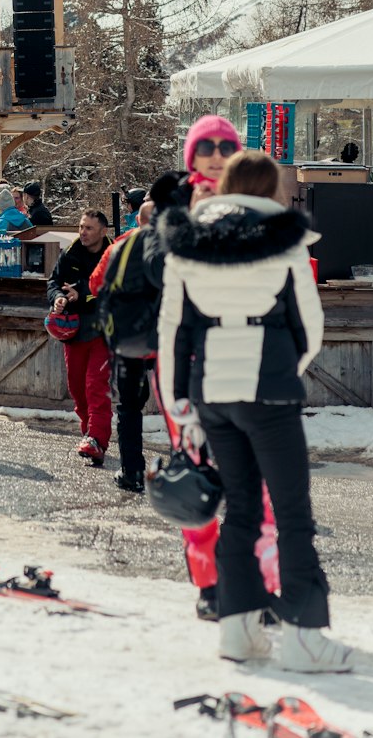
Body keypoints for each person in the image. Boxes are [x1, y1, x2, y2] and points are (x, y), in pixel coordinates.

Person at [157, 149, 351, 672]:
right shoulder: (286, 239)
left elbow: (173, 328)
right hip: (269, 387)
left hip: (210, 391)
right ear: (269, 189)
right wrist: (287, 364)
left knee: (240, 509)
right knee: (292, 514)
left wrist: (181, 402)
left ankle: (238, 631)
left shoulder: (188, 239)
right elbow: (309, 328)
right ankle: (306, 637)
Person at [143, 113, 246, 619]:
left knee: (254, 483)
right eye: (206, 147)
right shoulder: (172, 206)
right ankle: (208, 585)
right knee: (198, 476)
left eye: (226, 147)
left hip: (245, 357)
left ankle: (252, 584)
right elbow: (158, 272)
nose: (216, 156)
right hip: (185, 358)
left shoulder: (255, 203)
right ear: (191, 155)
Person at [90, 198, 155, 492]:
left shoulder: (121, 246)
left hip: (131, 341)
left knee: (129, 408)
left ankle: (132, 471)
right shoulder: (183, 245)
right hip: (171, 340)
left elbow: (95, 283)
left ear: (137, 219)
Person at [47, 209, 113, 465]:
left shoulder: (113, 254)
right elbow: (53, 282)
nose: (83, 232)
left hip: (104, 330)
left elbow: (111, 288)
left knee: (96, 386)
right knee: (76, 387)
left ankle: (97, 438)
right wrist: (58, 299)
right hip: (74, 332)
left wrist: (82, 294)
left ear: (103, 231)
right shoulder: (70, 252)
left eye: (89, 228)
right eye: (81, 227)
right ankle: (89, 431)